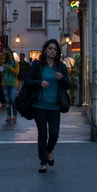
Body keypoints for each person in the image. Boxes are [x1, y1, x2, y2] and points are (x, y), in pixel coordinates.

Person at [26, 38, 70, 173]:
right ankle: (43, 162)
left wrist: (61, 78)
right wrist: (39, 83)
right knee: (42, 135)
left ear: (57, 52)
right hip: (39, 105)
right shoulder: (37, 65)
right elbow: (28, 80)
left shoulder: (61, 67)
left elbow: (68, 85)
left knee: (54, 133)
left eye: (55, 49)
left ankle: (49, 150)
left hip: (54, 106)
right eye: (50, 48)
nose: (52, 51)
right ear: (45, 50)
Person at [1, 48, 19, 123]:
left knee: (12, 100)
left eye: (10, 55)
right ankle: (8, 116)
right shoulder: (5, 63)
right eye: (8, 56)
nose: (9, 57)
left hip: (13, 84)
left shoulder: (15, 64)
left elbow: (16, 72)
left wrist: (8, 67)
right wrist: (3, 54)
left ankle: (15, 115)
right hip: (5, 84)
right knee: (7, 101)